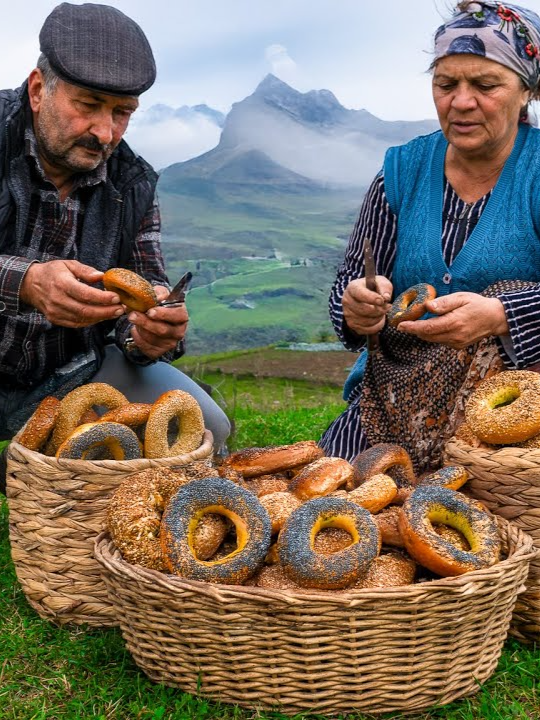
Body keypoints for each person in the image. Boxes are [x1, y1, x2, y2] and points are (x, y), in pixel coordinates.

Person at [0, 2, 230, 494]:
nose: (105, 133)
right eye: (88, 104)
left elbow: (146, 292)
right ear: (39, 90)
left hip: (66, 376)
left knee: (210, 425)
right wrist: (27, 282)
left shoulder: (133, 183)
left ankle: (41, 473)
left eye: (122, 112)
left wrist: (151, 333)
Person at [320, 1, 540, 474]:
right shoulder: (403, 171)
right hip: (393, 398)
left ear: (527, 91)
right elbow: (349, 286)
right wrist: (358, 306)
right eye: (446, 84)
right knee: (332, 489)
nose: (461, 101)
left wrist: (502, 315)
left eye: (485, 85)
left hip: (515, 408)